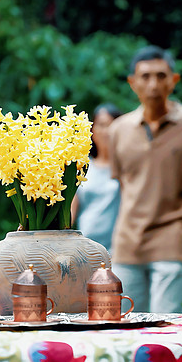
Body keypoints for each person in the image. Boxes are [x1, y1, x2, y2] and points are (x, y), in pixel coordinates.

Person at [108, 45, 182, 314]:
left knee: (167, 328)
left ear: (174, 80)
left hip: (173, 240)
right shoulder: (118, 130)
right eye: (145, 77)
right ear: (132, 83)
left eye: (160, 75)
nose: (153, 84)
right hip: (127, 245)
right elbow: (124, 183)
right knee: (124, 326)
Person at [71, 103, 123, 254]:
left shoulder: (125, 168)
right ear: (92, 130)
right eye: (101, 125)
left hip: (118, 250)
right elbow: (71, 211)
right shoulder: (82, 167)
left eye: (111, 125)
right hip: (86, 249)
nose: (105, 131)